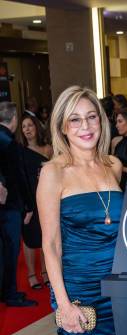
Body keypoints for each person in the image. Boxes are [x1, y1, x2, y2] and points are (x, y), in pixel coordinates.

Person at [37, 85, 124, 335]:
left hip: (119, 287)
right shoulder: (53, 172)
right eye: (75, 119)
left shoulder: (113, 165)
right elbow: (50, 244)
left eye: (91, 116)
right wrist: (63, 303)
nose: (85, 126)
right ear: (62, 126)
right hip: (78, 289)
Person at [0, 102, 37, 307]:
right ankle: (10, 294)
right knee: (11, 249)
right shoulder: (9, 143)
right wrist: (29, 206)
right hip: (10, 207)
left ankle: (7, 291)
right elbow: (20, 177)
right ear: (14, 119)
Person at [20, 113, 53, 289]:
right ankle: (32, 274)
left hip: (46, 196)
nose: (27, 129)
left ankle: (46, 272)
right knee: (28, 237)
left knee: (45, 235)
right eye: (24, 126)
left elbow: (58, 171)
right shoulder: (20, 151)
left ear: (36, 127)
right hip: (29, 198)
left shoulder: (48, 149)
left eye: (30, 125)